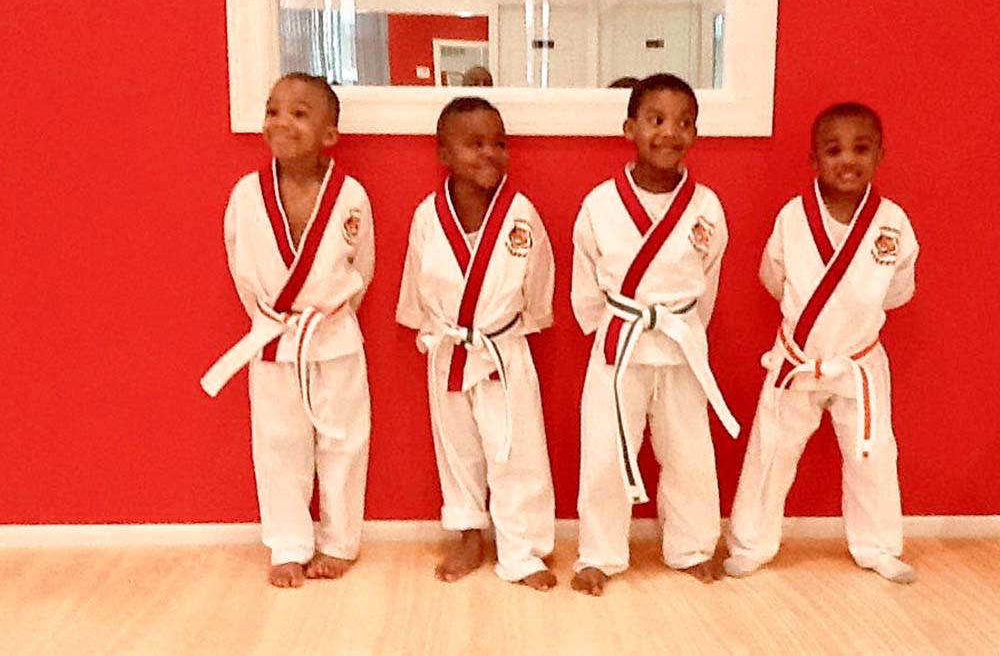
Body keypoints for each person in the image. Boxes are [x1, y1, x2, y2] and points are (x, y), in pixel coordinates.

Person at [725, 102, 919, 584]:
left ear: (880, 156)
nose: (847, 160)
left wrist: (855, 319)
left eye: (861, 149)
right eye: (834, 150)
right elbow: (774, 276)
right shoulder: (793, 217)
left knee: (872, 453)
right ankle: (751, 542)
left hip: (858, 360)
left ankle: (878, 546)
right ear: (813, 159)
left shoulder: (892, 223)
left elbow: (898, 288)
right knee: (771, 449)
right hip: (798, 359)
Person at [201, 73, 375, 588]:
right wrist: (272, 317)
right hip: (274, 338)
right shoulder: (246, 195)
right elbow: (238, 261)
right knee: (279, 445)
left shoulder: (351, 195)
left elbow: (361, 267)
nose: (281, 122)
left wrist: (326, 316)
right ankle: (289, 543)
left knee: (344, 442)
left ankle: (340, 542)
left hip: (335, 336)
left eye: (299, 113)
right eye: (273, 110)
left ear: (330, 135)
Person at [570, 73, 739, 596]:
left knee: (689, 450)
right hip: (619, 342)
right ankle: (599, 553)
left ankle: (691, 547)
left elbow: (706, 283)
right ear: (630, 128)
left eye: (685, 123)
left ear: (696, 134)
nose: (670, 133)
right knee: (604, 451)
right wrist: (611, 329)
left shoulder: (706, 207)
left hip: (681, 342)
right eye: (656, 120)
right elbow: (585, 285)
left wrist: (684, 329)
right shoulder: (600, 203)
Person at [395, 97, 557, 591]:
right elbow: (414, 283)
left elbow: (540, 278)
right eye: (475, 144)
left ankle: (523, 550)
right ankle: (469, 533)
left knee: (517, 449)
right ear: (443, 154)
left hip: (503, 349)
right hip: (448, 347)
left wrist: (522, 326)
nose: (490, 153)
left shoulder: (522, 214)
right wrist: (426, 326)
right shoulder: (428, 216)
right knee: (458, 448)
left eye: (499, 144)